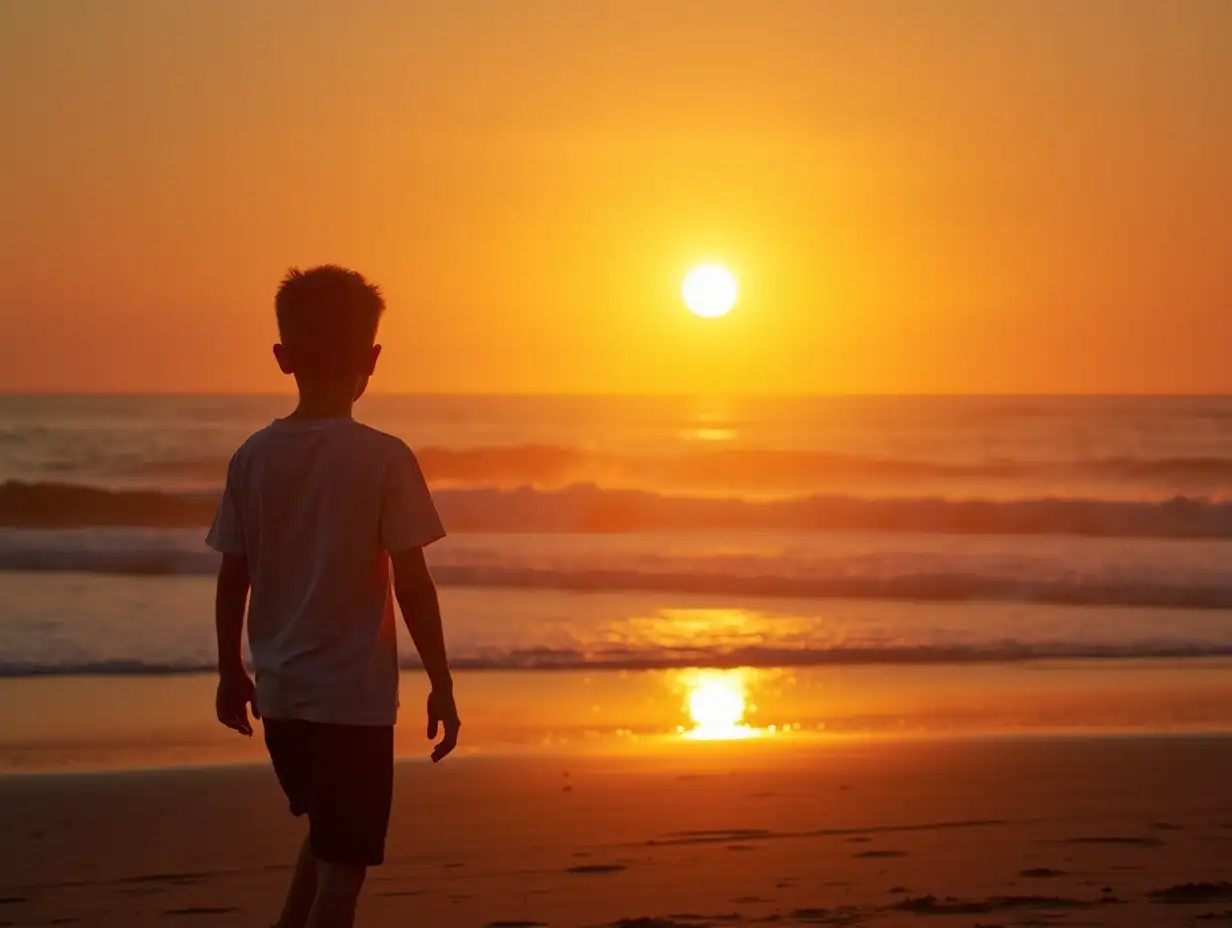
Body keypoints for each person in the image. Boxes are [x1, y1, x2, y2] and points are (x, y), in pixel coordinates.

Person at [206, 265, 460, 928]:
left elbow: (234, 576)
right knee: (344, 870)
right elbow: (412, 580)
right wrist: (441, 681)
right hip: (354, 702)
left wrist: (231, 669)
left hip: (282, 697)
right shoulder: (383, 458)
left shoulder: (252, 457)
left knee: (328, 836)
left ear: (282, 358)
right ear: (372, 361)